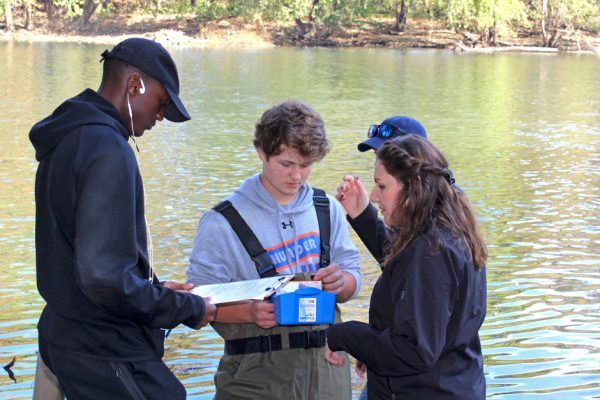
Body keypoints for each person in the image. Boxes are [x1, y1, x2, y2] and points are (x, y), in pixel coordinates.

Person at [29, 37, 216, 400]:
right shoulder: (108, 150)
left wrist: (153, 288)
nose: (159, 117)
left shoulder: (68, 137)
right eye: (161, 104)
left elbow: (80, 252)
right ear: (134, 85)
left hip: (65, 332)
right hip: (102, 342)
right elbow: (104, 278)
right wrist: (187, 308)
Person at [187, 100, 361, 399]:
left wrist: (341, 282)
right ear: (261, 153)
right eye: (287, 164)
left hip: (327, 376)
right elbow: (196, 304)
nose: (297, 176)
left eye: (306, 165)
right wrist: (249, 312)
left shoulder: (327, 209)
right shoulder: (221, 222)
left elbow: (352, 276)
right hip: (254, 381)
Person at [326, 135, 487, 399]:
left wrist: (344, 335)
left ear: (412, 186)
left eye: (381, 186)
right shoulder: (449, 233)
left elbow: (413, 351)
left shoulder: (432, 252)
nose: (375, 196)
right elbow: (403, 271)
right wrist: (372, 349)